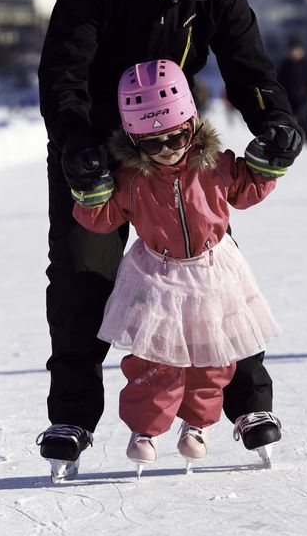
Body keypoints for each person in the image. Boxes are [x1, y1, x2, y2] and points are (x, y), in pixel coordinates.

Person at [36, 0, 304, 481]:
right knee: (82, 275)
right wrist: (76, 144)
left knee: (213, 272)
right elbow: (63, 73)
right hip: (99, 149)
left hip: (176, 147)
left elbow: (247, 63)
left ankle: (247, 405)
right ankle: (72, 415)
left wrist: (276, 121)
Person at [67, 60, 282, 478]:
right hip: (159, 276)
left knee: (213, 359)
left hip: (212, 272)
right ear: (134, 141)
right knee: (154, 361)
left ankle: (198, 424)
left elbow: (246, 189)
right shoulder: (131, 179)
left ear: (193, 125)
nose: (167, 148)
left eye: (177, 136)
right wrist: (90, 191)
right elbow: (103, 218)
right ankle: (145, 431)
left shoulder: (215, 165)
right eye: (153, 143)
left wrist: (269, 162)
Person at [277, 38, 307, 143]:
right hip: (289, 96)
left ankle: (306, 137)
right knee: (290, 119)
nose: (295, 53)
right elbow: (280, 80)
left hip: (303, 96)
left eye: (297, 50)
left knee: (304, 117)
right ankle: (290, 139)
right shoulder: (285, 64)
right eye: (293, 50)